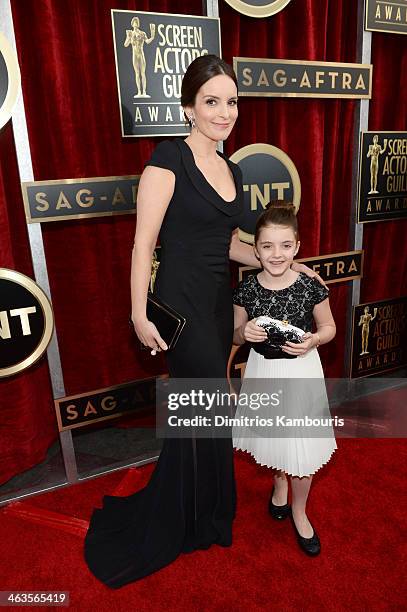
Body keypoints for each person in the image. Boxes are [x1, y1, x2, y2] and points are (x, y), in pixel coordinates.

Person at [84, 56, 325, 587]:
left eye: (231, 101)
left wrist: (279, 262)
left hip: (219, 303)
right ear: (189, 107)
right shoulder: (166, 159)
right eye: (211, 101)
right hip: (180, 304)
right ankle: (185, 517)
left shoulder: (233, 170)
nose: (223, 112)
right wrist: (137, 310)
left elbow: (232, 245)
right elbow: (143, 242)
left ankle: (205, 512)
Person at [232, 201, 337, 556]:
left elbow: (329, 327)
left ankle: (300, 510)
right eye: (267, 246)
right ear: (255, 249)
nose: (277, 254)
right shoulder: (246, 289)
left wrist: (314, 340)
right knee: (275, 440)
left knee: (303, 450)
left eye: (285, 246)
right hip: (264, 373)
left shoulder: (309, 286)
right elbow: (234, 335)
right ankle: (279, 487)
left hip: (302, 372)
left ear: (297, 247)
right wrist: (244, 332)